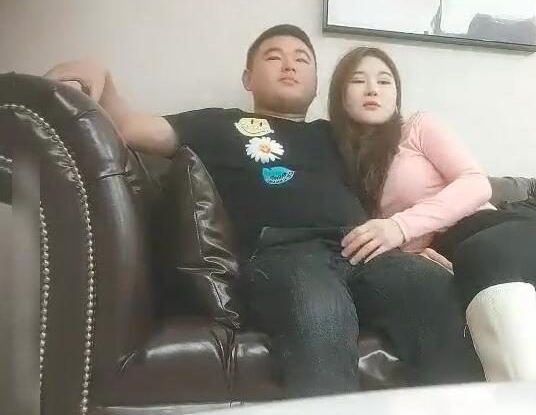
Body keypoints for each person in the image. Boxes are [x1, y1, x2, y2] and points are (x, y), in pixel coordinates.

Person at [44, 25, 483, 397]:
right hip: (285, 252)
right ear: (248, 77)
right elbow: (128, 127)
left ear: (317, 85)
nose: (289, 65)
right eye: (274, 57)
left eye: (302, 59)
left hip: (362, 247)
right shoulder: (217, 124)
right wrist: (102, 79)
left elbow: (402, 191)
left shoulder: (338, 135)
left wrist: (414, 242)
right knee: (320, 311)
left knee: (433, 291)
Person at [327, 46, 536, 381]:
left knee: (484, 259)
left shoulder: (416, 128)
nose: (373, 89)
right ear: (340, 94)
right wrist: (414, 253)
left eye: (384, 81)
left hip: (499, 228)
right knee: (518, 300)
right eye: (359, 80)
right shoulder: (335, 160)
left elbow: (476, 183)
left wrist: (400, 227)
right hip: (454, 256)